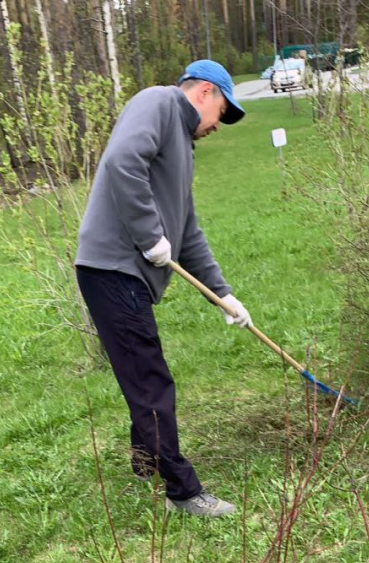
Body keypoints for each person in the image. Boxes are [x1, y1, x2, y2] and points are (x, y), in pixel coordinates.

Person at [75, 59, 252, 518]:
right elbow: (120, 162)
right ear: (204, 93)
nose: (219, 126)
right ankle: (183, 491)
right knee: (151, 380)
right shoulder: (158, 102)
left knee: (141, 371)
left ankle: (145, 459)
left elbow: (187, 232)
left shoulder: (184, 150)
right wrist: (149, 234)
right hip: (111, 269)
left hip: (125, 273)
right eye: (223, 112)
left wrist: (223, 294)